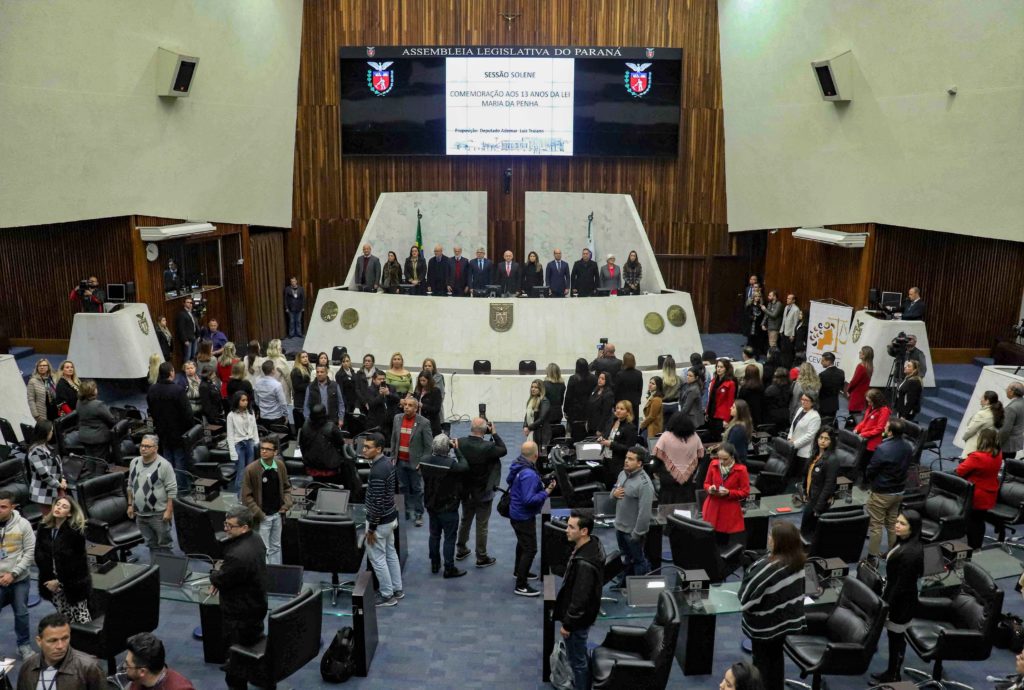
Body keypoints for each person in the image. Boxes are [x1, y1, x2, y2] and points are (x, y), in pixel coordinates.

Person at [739, 521, 806, 690]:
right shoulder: (799, 561)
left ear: (779, 542)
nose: (769, 538)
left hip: (764, 627)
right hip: (785, 624)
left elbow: (745, 598)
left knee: (761, 665)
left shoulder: (768, 568)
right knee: (776, 659)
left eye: (771, 536)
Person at [209, 505, 267, 689]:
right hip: (256, 606)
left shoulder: (238, 556)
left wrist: (215, 572)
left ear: (244, 527)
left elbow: (221, 579)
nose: (226, 529)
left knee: (236, 665)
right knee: (253, 647)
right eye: (225, 524)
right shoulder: (256, 538)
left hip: (238, 617)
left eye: (230, 526)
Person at [869, 510, 924, 684]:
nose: (897, 526)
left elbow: (901, 586)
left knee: (896, 638)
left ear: (912, 528)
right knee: (895, 637)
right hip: (896, 595)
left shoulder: (911, 553)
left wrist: (887, 607)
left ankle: (893, 675)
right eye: (897, 522)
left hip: (901, 603)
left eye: (902, 524)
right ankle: (893, 671)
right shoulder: (904, 542)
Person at [554, 511, 605, 690]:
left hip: (577, 622)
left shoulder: (584, 564)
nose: (566, 530)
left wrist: (568, 625)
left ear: (584, 531)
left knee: (578, 661)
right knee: (579, 656)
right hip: (583, 617)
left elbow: (580, 599)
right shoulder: (592, 545)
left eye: (571, 527)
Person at [456, 418, 506, 568]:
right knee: (482, 525)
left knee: (465, 520)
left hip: (466, 491)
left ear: (471, 428)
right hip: (483, 492)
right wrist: (494, 433)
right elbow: (503, 450)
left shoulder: (460, 442)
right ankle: (481, 556)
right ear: (485, 430)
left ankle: (461, 549)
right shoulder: (489, 447)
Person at [507, 441, 555, 596]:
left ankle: (518, 571)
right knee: (530, 549)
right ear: (536, 455)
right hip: (523, 515)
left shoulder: (518, 465)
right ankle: (521, 585)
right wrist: (546, 492)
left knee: (522, 544)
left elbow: (510, 481)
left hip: (517, 512)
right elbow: (529, 500)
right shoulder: (529, 474)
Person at [35, 496, 91, 623]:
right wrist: (50, 579)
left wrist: (60, 582)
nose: (59, 508)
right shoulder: (43, 527)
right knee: (63, 617)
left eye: (64, 507)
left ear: (69, 513)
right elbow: (39, 554)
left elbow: (78, 563)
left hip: (72, 582)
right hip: (50, 581)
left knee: (81, 617)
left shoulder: (76, 531)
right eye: (58, 504)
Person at [420, 434, 469, 578]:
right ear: (448, 448)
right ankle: (449, 568)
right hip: (448, 507)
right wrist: (457, 449)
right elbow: (465, 466)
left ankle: (435, 564)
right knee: (449, 538)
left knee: (434, 535)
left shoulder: (424, 461)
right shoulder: (450, 464)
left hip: (431, 505)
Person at [363, 433, 403, 607]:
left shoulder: (377, 470)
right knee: (391, 553)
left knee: (378, 559)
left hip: (379, 523)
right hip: (390, 518)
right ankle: (397, 589)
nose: (363, 450)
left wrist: (372, 528)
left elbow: (377, 503)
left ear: (378, 449)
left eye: (368, 447)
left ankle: (387, 595)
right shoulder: (388, 462)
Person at [16, 612, 105, 690]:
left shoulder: (88, 667)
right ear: (39, 641)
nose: (60, 646)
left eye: (65, 638)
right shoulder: (28, 666)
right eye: (53, 640)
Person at [865, 419, 913, 558]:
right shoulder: (909, 446)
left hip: (882, 493)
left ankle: (872, 558)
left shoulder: (883, 448)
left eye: (886, 426)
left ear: (890, 432)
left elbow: (871, 470)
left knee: (876, 525)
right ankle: (893, 554)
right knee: (892, 524)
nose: (884, 428)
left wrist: (871, 481)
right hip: (899, 491)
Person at [241, 437, 292, 565]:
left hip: (277, 514)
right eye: (262, 448)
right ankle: (265, 575)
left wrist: (286, 504)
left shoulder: (280, 466)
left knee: (276, 547)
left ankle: (277, 572)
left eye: (268, 449)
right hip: (263, 517)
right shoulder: (251, 469)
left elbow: (287, 487)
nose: (263, 451)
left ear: (275, 452)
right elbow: (246, 497)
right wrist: (259, 514)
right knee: (264, 549)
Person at [0, 489, 37, 660]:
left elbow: (29, 553)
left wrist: (13, 574)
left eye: (3, 507)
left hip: (19, 579)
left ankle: (24, 645)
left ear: (12, 507)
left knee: (21, 613)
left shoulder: (23, 524)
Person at [610, 446, 654, 587]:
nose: (626, 461)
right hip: (620, 527)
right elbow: (613, 492)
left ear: (639, 463)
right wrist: (614, 494)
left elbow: (644, 513)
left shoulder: (644, 484)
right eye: (626, 458)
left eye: (630, 459)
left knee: (639, 560)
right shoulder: (622, 474)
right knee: (626, 558)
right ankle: (624, 584)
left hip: (632, 532)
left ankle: (639, 590)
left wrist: (637, 533)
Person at [126, 435, 177, 552]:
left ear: (155, 448)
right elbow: (130, 485)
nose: (143, 448)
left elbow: (172, 490)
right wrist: (130, 505)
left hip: (158, 515)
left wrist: (169, 511)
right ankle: (155, 563)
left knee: (164, 545)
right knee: (150, 544)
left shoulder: (164, 465)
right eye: (142, 445)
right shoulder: (134, 462)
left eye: (147, 446)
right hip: (140, 514)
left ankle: (166, 563)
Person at [955, 427, 1002, 549]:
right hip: (989, 494)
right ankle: (976, 548)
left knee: (972, 522)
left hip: (976, 495)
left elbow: (959, 471)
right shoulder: (998, 454)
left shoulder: (977, 457)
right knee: (979, 521)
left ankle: (972, 548)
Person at [146, 362, 192, 482]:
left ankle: (168, 484)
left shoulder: (152, 389)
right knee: (179, 459)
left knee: (167, 458)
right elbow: (187, 413)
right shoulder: (178, 390)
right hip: (178, 431)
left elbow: (150, 410)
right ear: (171, 373)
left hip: (162, 430)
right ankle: (180, 487)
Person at [299, 404, 361, 494]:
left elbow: (302, 445)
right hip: (329, 468)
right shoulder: (331, 427)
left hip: (310, 466)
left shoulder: (305, 426)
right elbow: (341, 443)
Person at [391, 397, 431, 526]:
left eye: (410, 405)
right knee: (402, 487)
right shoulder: (397, 418)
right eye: (405, 405)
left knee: (417, 489)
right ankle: (406, 511)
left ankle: (419, 514)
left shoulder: (424, 422)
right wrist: (393, 457)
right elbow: (394, 439)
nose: (406, 407)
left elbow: (428, 446)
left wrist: (423, 462)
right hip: (399, 461)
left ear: (416, 408)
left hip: (415, 463)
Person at [702, 442, 750, 546]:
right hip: (712, 507)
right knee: (709, 540)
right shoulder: (713, 464)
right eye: (719, 458)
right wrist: (709, 488)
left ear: (732, 457)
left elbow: (745, 492)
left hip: (728, 510)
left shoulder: (741, 470)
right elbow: (706, 483)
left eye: (725, 459)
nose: (722, 462)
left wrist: (729, 493)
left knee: (722, 542)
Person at [653, 413, 704, 504]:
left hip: (667, 480)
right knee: (686, 507)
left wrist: (656, 471)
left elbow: (657, 457)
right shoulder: (695, 437)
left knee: (667, 508)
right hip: (687, 480)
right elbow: (700, 456)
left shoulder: (665, 436)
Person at [800, 429, 839, 538]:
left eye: (826, 439)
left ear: (831, 441)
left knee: (809, 533)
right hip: (811, 498)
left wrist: (818, 507)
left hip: (818, 502)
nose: (822, 441)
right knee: (805, 530)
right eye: (821, 437)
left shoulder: (832, 460)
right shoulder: (815, 455)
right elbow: (808, 476)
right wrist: (804, 491)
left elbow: (828, 486)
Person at [123, 632, 196, 690]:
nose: (124, 667)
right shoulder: (138, 681)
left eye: (127, 665)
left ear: (142, 671)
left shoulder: (181, 688)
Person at [27, 421, 66, 514]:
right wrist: (59, 484)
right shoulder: (36, 451)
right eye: (51, 431)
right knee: (50, 518)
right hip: (44, 493)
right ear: (45, 433)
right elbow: (45, 475)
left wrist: (63, 479)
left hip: (57, 487)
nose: (52, 433)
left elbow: (58, 464)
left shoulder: (47, 446)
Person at [961, 390, 1003, 456]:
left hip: (974, 445)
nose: (980, 399)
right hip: (987, 445)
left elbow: (971, 430)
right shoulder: (996, 412)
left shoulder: (982, 414)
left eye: (982, 397)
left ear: (987, 401)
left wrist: (964, 437)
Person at [565, 358, 596, 441]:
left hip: (575, 410)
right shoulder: (594, 378)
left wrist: (565, 410)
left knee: (575, 434)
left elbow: (568, 396)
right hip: (589, 409)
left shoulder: (573, 378)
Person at [304, 362, 345, 427]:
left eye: (322, 372)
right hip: (315, 422)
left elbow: (340, 403)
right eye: (317, 372)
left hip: (332, 420)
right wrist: (307, 419)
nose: (319, 374)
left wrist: (341, 419)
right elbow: (306, 405)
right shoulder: (310, 387)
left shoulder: (335, 386)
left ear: (326, 373)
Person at [788, 391, 822, 465]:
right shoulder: (800, 409)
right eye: (802, 399)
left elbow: (810, 436)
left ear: (813, 402)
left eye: (806, 400)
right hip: (792, 446)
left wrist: (795, 443)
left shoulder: (815, 417)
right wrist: (789, 438)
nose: (803, 402)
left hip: (804, 451)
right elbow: (793, 425)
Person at [707, 358, 737, 440]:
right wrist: (707, 411)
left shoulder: (730, 383)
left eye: (721, 367)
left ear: (726, 369)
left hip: (721, 416)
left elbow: (730, 403)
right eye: (717, 367)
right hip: (712, 413)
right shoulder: (714, 381)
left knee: (719, 438)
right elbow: (711, 398)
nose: (719, 369)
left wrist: (727, 419)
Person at [720, 400, 753, 464]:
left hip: (735, 461)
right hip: (736, 456)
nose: (730, 408)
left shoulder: (738, 429)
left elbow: (729, 446)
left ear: (739, 411)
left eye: (733, 407)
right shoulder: (741, 423)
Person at [845, 345, 873, 422]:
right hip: (863, 394)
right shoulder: (870, 367)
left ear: (866, 355)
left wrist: (848, 390)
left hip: (856, 394)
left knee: (853, 416)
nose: (860, 353)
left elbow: (854, 381)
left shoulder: (861, 367)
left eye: (862, 353)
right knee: (858, 415)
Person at [26, 358, 58, 422]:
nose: (42, 367)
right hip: (43, 413)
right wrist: (36, 415)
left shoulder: (53, 378)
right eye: (40, 366)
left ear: (48, 367)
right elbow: (31, 400)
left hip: (56, 410)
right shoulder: (33, 381)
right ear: (37, 368)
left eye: (44, 365)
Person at [523, 379, 552, 448]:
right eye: (532, 387)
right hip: (532, 431)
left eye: (536, 387)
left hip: (540, 434)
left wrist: (529, 428)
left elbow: (542, 419)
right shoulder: (531, 400)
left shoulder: (544, 401)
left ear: (541, 389)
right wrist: (525, 426)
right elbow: (527, 414)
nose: (533, 389)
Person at [413, 371, 443, 437]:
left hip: (431, 422)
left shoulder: (436, 391)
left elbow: (436, 409)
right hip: (418, 420)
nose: (422, 382)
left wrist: (423, 406)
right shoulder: (418, 390)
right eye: (420, 380)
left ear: (429, 380)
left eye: (424, 380)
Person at [613, 352, 643, 418]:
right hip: (634, 403)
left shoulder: (620, 374)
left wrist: (615, 404)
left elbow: (616, 390)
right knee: (634, 421)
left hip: (623, 404)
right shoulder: (639, 374)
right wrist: (637, 401)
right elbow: (640, 389)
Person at [586, 372, 615, 438]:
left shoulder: (609, 394)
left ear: (607, 380)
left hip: (601, 426)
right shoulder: (595, 390)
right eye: (599, 378)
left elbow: (606, 414)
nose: (600, 380)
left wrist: (600, 429)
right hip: (592, 423)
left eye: (603, 379)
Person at [816, 351, 845, 419]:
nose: (821, 362)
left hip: (823, 405)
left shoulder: (822, 375)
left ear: (828, 361)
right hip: (834, 405)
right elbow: (841, 387)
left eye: (823, 360)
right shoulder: (841, 372)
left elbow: (818, 390)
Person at [1000, 382, 1024, 459]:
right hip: (1014, 445)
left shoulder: (1012, 408)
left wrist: (996, 444)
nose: (1006, 390)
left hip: (1006, 445)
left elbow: (1005, 430)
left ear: (1011, 392)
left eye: (1007, 388)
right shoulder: (1021, 402)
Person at [289, 350, 311, 430]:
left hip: (306, 400)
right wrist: (310, 385)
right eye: (303, 357)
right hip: (300, 402)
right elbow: (297, 386)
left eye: (306, 356)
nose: (305, 358)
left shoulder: (309, 368)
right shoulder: (296, 371)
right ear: (299, 359)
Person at [174, 296, 199, 362]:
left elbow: (195, 325)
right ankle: (186, 368)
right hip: (187, 339)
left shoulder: (192, 313)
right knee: (187, 356)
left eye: (191, 302)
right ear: (184, 303)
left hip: (194, 337)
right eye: (188, 302)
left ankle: (192, 368)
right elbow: (181, 328)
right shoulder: (182, 314)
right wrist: (185, 340)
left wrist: (198, 335)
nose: (190, 304)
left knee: (193, 355)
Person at [780, 294, 801, 367]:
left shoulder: (796, 309)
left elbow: (795, 323)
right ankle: (783, 364)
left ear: (793, 300)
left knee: (789, 351)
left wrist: (793, 334)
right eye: (787, 298)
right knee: (783, 349)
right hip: (784, 331)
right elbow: (784, 320)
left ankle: (788, 365)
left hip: (790, 334)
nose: (787, 300)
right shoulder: (786, 307)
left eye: (789, 299)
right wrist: (781, 330)